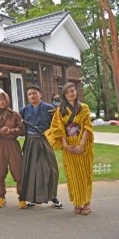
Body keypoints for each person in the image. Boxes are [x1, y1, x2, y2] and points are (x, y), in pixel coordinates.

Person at [45, 82, 94, 215]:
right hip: (69, 145)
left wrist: (82, 144)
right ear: (64, 96)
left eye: (72, 91)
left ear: (76, 92)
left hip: (82, 143)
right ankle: (77, 202)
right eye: (67, 93)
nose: (70, 94)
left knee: (85, 174)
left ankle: (86, 203)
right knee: (73, 175)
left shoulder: (84, 108)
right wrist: (65, 145)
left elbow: (87, 127)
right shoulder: (60, 110)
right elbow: (58, 128)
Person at [20, 85, 62, 209]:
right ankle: (33, 197)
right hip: (31, 141)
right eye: (29, 94)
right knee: (32, 169)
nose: (32, 96)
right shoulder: (24, 110)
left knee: (51, 169)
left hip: (45, 140)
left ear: (40, 94)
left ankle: (53, 196)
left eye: (34, 93)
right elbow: (17, 123)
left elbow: (58, 124)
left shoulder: (50, 108)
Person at [0, 91, 26, 209]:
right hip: (0, 144)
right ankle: (1, 197)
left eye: (4, 100)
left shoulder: (15, 115)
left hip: (13, 144)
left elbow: (22, 130)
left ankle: (22, 196)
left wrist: (12, 131)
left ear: (8, 100)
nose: (1, 102)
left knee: (18, 170)